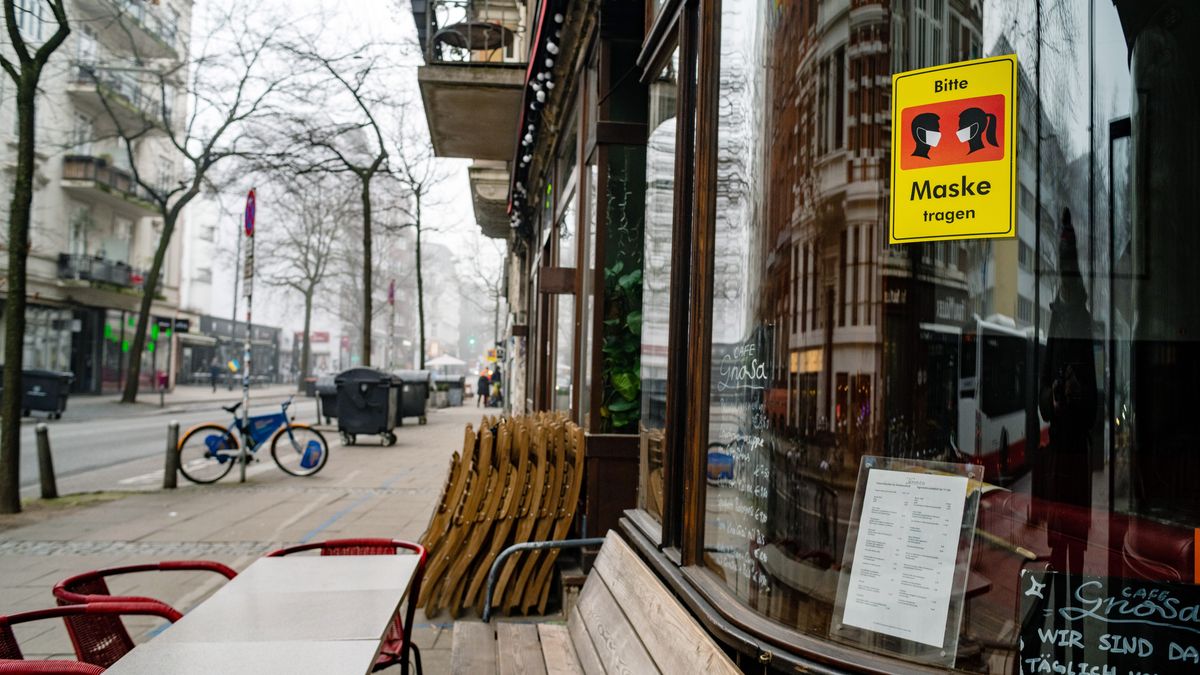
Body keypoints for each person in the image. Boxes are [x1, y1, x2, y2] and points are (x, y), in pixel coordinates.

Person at [1036, 208, 1097, 576]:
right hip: (1062, 455)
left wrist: (1076, 396)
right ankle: (1062, 627)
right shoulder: (1056, 319)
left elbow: (1093, 406)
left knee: (1076, 558)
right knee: (1060, 552)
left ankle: (1069, 627)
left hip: (1075, 455)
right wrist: (1055, 399)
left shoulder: (1081, 322)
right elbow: (1043, 391)